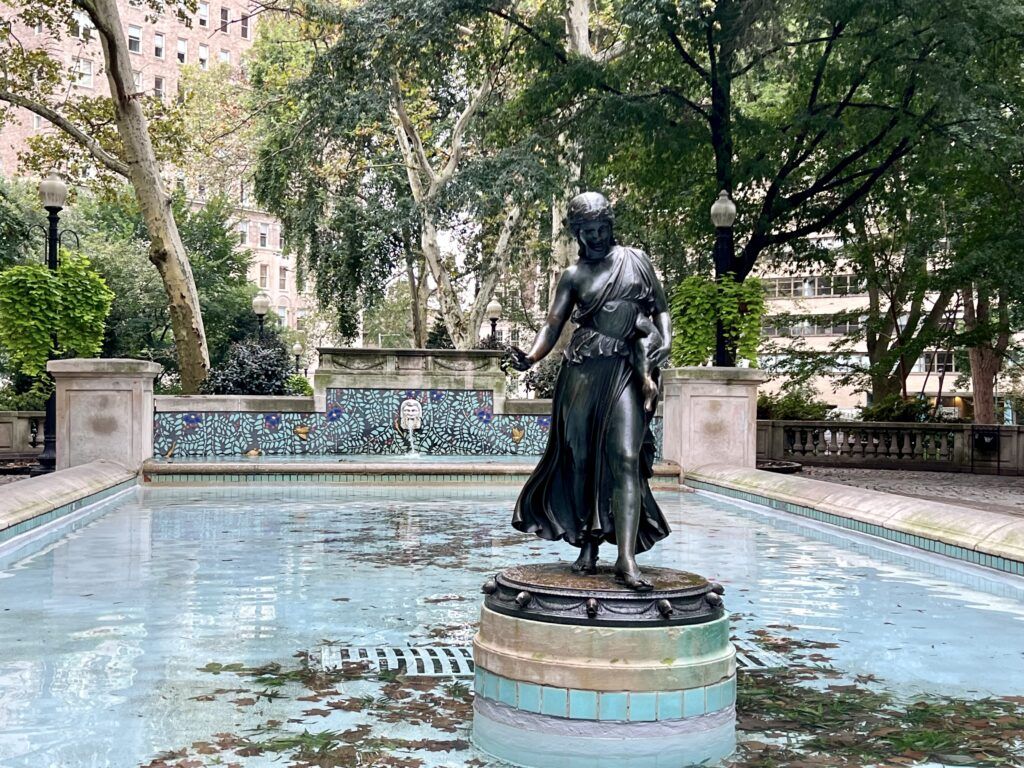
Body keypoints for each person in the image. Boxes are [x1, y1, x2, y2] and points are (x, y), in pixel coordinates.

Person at [504, 191, 672, 591]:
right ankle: (588, 544)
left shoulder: (637, 261)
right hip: (581, 373)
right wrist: (531, 357)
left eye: (601, 228)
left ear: (610, 224)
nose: (595, 236)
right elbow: (553, 324)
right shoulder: (573, 275)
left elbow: (660, 308)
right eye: (587, 231)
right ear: (576, 233)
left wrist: (665, 341)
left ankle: (626, 558)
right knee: (581, 462)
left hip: (624, 369)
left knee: (625, 458)